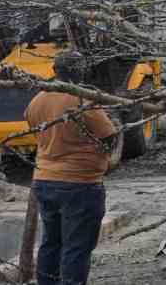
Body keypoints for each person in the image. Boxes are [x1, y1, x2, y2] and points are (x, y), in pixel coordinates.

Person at [25, 51, 117, 285]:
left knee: (51, 243)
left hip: (44, 180)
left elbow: (36, 129)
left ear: (55, 71)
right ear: (81, 71)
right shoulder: (82, 99)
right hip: (80, 184)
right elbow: (109, 136)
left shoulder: (37, 100)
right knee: (76, 247)